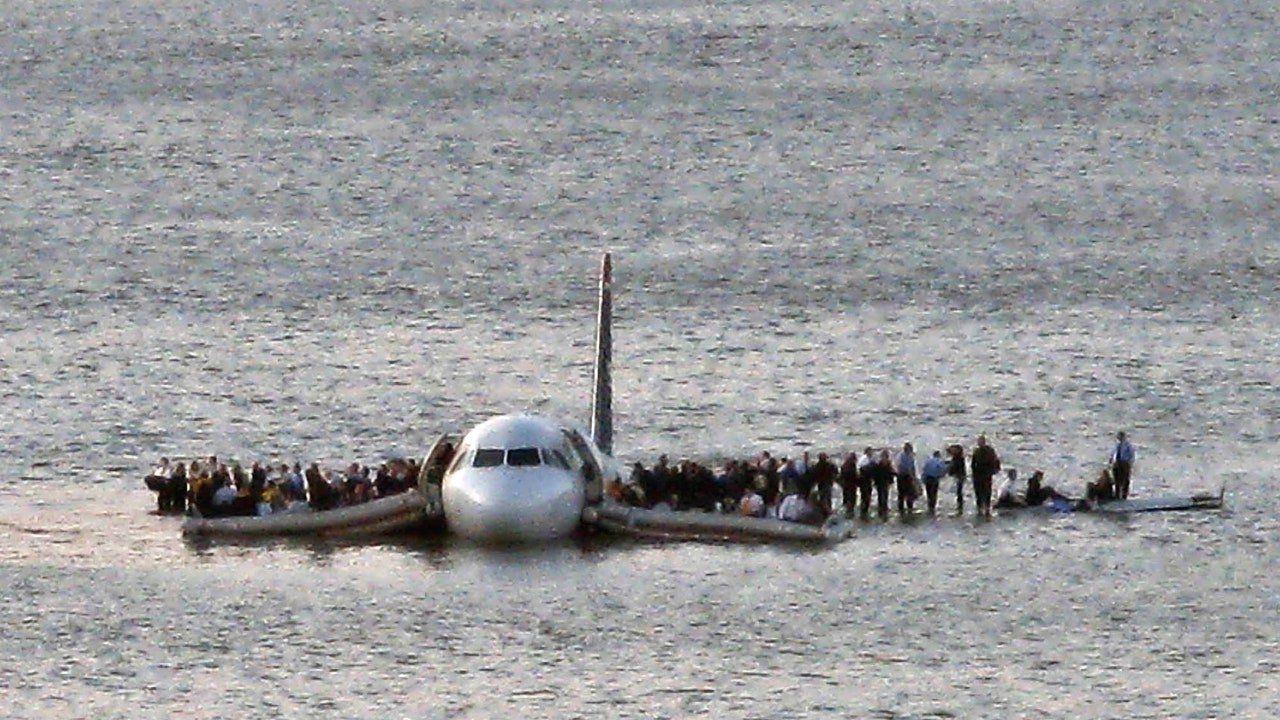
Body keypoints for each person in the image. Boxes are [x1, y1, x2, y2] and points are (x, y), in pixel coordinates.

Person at [970, 435, 1001, 517]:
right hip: (978, 474)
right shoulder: (976, 451)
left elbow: (996, 460)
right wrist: (973, 473)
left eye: (981, 441)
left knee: (987, 491)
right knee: (978, 491)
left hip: (987, 474)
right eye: (979, 442)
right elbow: (973, 464)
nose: (979, 443)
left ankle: (987, 507)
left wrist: (996, 469)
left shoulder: (990, 451)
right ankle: (979, 507)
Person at [895, 443, 918, 516]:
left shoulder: (911, 456)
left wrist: (914, 477)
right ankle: (901, 509)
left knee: (910, 493)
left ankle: (910, 508)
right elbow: (900, 466)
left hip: (909, 477)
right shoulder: (900, 456)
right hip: (902, 476)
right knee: (901, 493)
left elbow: (912, 467)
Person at [920, 450, 947, 515]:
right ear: (938, 455)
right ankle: (932, 508)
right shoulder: (939, 461)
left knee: (928, 493)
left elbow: (924, 469)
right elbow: (943, 469)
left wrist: (923, 479)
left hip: (927, 478)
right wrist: (942, 476)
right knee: (934, 493)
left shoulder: (928, 461)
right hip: (934, 479)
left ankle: (929, 506)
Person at [1111, 431, 1135, 500]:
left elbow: (1131, 455)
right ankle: (1117, 495)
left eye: (1120, 437)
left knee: (1125, 480)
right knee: (1117, 480)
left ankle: (1124, 496)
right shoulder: (1116, 445)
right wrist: (1112, 461)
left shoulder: (1128, 445)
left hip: (1124, 463)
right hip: (1117, 463)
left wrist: (1129, 463)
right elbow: (1113, 454)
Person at [871, 449, 895, 519]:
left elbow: (891, 473)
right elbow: (875, 474)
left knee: (886, 495)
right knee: (880, 496)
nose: (885, 458)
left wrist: (891, 480)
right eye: (884, 456)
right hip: (880, 483)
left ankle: (884, 508)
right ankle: (881, 509)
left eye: (886, 457)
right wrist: (875, 482)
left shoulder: (888, 464)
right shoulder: (878, 465)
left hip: (886, 482)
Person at [947, 444, 967, 514]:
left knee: (959, 491)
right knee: (958, 491)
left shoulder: (958, 459)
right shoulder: (959, 458)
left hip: (959, 476)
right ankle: (959, 505)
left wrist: (950, 471)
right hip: (960, 476)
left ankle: (960, 506)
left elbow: (955, 467)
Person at [838, 452, 860, 517]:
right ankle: (850, 513)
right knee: (851, 500)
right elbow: (854, 476)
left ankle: (847, 512)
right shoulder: (852, 466)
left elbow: (841, 476)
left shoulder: (844, 465)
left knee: (846, 499)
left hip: (845, 486)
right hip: (851, 486)